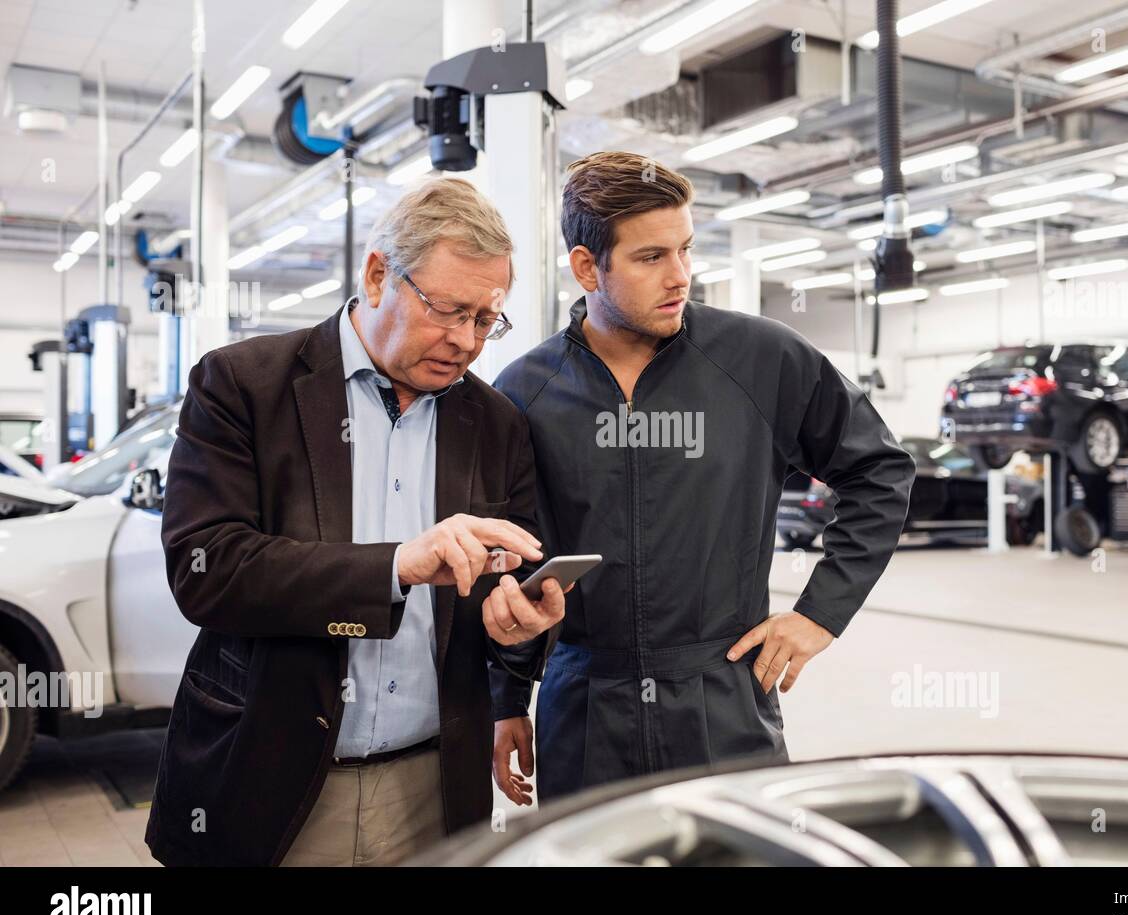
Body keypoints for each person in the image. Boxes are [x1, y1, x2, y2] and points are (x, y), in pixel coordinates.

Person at [146, 177, 564, 866]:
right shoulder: (245, 386)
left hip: (431, 789)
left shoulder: (496, 425)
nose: (466, 341)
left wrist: (518, 630)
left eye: (486, 320)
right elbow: (208, 569)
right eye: (448, 311)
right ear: (378, 276)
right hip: (271, 778)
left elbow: (499, 589)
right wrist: (396, 567)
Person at [489, 151, 916, 805]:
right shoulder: (526, 392)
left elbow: (879, 470)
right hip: (585, 711)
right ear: (585, 267)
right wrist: (508, 697)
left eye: (685, 249)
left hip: (724, 705)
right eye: (650, 257)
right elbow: (515, 558)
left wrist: (819, 615)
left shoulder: (761, 359)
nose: (679, 276)